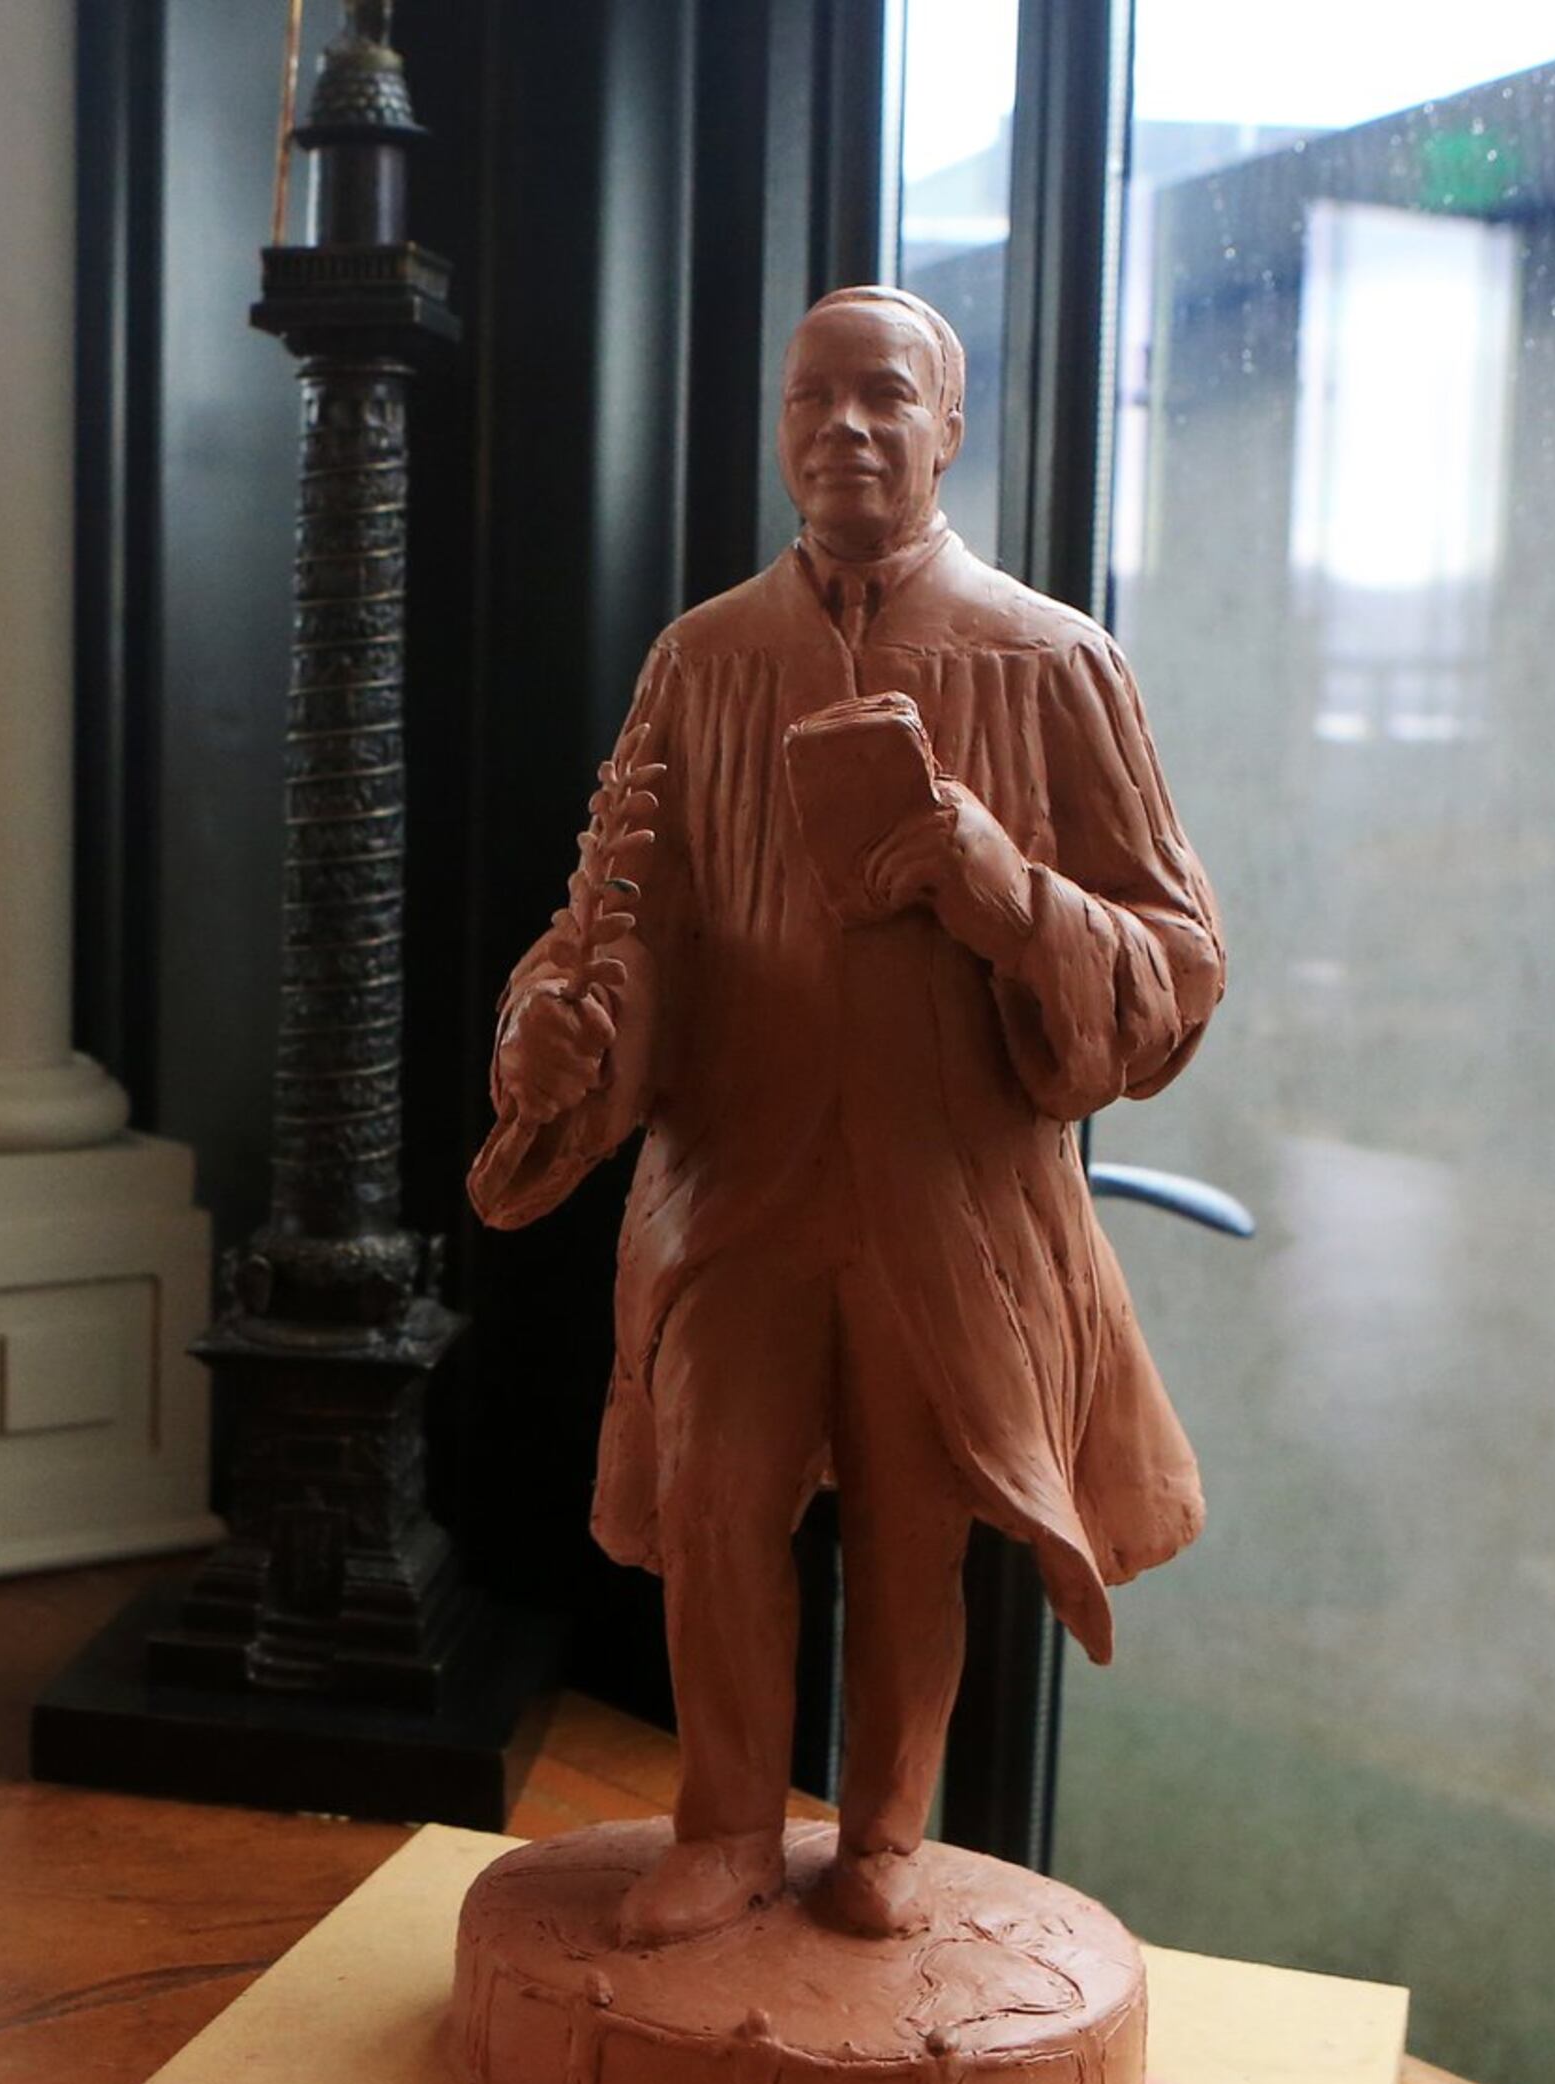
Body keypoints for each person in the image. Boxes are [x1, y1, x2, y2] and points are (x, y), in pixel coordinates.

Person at [470, 286, 1222, 1946]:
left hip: (948, 1202)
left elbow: (1178, 965)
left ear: (951, 426)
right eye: (812, 398)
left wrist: (1000, 883)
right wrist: (551, 1019)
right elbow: (615, 918)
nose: (846, 429)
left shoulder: (1050, 657)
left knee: (912, 1522)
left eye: (887, 397)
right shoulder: (704, 658)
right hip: (736, 1181)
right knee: (721, 1497)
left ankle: (885, 1825)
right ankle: (729, 1817)